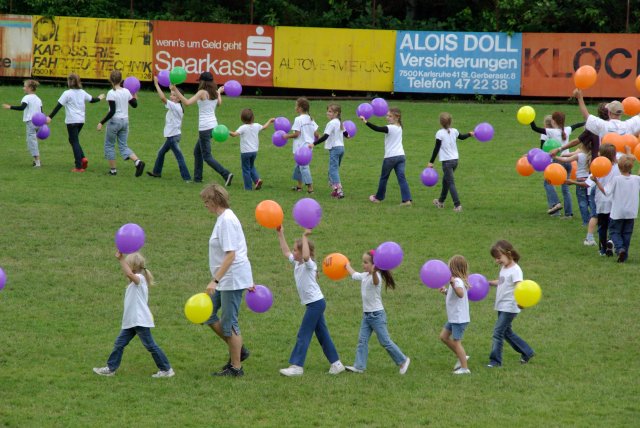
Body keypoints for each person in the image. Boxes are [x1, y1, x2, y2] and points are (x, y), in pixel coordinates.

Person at [276, 226, 345, 376]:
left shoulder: (309, 265)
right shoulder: (297, 263)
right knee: (322, 334)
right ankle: (336, 364)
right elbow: (286, 252)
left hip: (316, 304)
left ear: (302, 253)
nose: (293, 252)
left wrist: (305, 237)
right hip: (314, 304)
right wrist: (280, 234)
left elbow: (307, 256)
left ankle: (297, 366)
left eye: (296, 250)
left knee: (304, 334)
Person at [93, 251, 174, 378]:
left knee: (150, 345)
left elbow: (129, 274)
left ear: (133, 266)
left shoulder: (140, 279)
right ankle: (110, 368)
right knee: (119, 344)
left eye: (127, 264)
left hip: (139, 321)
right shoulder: (135, 283)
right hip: (132, 322)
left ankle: (166, 369)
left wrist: (121, 259)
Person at [200, 183, 254, 377]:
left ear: (215, 200)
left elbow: (231, 254)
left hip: (231, 279)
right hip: (227, 278)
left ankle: (236, 368)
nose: (205, 204)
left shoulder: (227, 221)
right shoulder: (222, 219)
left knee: (229, 324)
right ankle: (238, 349)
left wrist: (215, 280)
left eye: (207, 200)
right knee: (207, 314)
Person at [343, 250, 410, 375]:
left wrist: (374, 272)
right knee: (362, 341)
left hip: (377, 316)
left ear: (374, 265)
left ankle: (403, 360)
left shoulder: (376, 276)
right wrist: (347, 266)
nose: (363, 264)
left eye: (366, 262)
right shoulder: (365, 275)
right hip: (367, 315)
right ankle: (359, 366)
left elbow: (375, 282)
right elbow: (355, 275)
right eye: (363, 262)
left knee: (385, 341)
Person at [172, 72, 233, 186]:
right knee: (197, 152)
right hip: (213, 127)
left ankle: (226, 174)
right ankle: (197, 178)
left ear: (203, 81)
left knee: (207, 156)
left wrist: (175, 90)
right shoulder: (214, 92)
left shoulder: (202, 92)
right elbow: (219, 103)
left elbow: (187, 103)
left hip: (205, 128)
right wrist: (219, 92)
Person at [487, 240, 535, 368]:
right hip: (501, 305)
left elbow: (519, 287)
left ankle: (495, 361)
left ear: (508, 254)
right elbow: (502, 281)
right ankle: (527, 352)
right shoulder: (505, 268)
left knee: (497, 332)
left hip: (510, 307)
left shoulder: (516, 270)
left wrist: (521, 302)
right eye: (495, 258)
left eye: (499, 258)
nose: (496, 261)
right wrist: (490, 282)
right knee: (506, 332)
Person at [46, 73, 104, 172]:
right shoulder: (82, 92)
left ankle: (78, 166)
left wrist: (50, 117)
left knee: (74, 141)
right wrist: (99, 98)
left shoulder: (67, 93)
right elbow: (92, 100)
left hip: (72, 121)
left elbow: (58, 106)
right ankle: (83, 158)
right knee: (73, 140)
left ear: (69, 82)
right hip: (81, 121)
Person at [530, 111, 583, 217]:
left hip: (558, 162)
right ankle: (568, 214)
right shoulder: (567, 129)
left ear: (553, 121)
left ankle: (555, 203)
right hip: (568, 162)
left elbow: (535, 128)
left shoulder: (551, 132)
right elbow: (576, 125)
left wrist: (531, 118)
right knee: (565, 189)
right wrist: (586, 122)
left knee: (547, 183)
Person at [97, 70, 146, 177]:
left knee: (109, 145)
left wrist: (101, 122)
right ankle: (138, 162)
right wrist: (134, 95)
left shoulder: (111, 93)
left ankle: (113, 171)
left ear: (111, 80)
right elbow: (135, 105)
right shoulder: (126, 91)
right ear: (121, 80)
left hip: (115, 122)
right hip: (125, 122)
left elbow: (112, 111)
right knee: (123, 146)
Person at [360, 107, 413, 206]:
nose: (387, 117)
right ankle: (407, 200)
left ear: (397, 117)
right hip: (401, 156)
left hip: (390, 158)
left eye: (390, 116)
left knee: (384, 178)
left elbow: (377, 128)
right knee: (402, 178)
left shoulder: (390, 128)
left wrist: (365, 121)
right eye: (387, 115)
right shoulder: (400, 127)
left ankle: (378, 198)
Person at [146, 76, 192, 182]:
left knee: (179, 157)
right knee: (161, 152)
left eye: (174, 95)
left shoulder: (176, 107)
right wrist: (172, 86)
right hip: (173, 135)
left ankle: (187, 178)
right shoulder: (176, 106)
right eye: (171, 94)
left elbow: (163, 98)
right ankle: (156, 172)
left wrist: (156, 84)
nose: (171, 97)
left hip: (173, 137)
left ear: (179, 98)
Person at [553, 139, 598, 244]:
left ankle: (586, 221)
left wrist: (555, 157)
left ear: (583, 146)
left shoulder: (580, 155)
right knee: (591, 201)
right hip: (590, 180)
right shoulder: (594, 156)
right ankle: (594, 219)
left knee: (582, 202)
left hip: (580, 180)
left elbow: (566, 160)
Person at [427, 112, 473, 212]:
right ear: (450, 122)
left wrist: (431, 162)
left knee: (450, 183)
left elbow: (436, 148)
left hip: (447, 163)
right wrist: (469, 134)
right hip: (455, 161)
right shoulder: (454, 131)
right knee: (446, 181)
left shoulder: (439, 133)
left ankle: (457, 205)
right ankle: (440, 202)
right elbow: (462, 137)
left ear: (440, 123)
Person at [602, 155, 640, 263]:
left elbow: (606, 192)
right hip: (631, 212)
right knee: (627, 233)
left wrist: (596, 182)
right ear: (631, 166)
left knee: (614, 232)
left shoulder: (616, 179)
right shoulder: (636, 179)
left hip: (617, 212)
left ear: (619, 167)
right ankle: (624, 255)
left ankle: (620, 249)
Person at [438, 255, 471, 374]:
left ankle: (464, 368)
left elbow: (460, 294)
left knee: (457, 342)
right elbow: (455, 296)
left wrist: (452, 284)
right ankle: (462, 356)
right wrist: (446, 291)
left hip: (459, 318)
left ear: (453, 268)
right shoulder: (457, 281)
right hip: (454, 317)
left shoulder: (457, 281)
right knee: (443, 337)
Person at [229, 108, 274, 190]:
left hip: (245, 152)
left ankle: (248, 187)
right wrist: (270, 121)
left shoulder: (243, 127)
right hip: (254, 151)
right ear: (253, 117)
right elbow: (264, 127)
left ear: (242, 119)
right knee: (251, 166)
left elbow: (234, 134)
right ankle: (257, 180)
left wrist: (226, 131)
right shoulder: (256, 125)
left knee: (246, 169)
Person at [2, 79, 43, 167]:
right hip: (39, 122)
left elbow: (22, 108)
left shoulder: (26, 98)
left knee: (31, 142)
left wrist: (10, 107)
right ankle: (35, 160)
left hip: (31, 122)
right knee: (33, 141)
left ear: (30, 88)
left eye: (24, 86)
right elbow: (41, 112)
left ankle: (37, 162)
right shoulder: (38, 99)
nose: (23, 88)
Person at [311, 104, 349, 199]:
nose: (327, 113)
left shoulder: (331, 123)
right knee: (333, 170)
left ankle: (339, 191)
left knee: (333, 170)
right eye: (328, 111)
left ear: (336, 113)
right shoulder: (339, 122)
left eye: (330, 111)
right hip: (341, 148)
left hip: (335, 149)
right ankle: (335, 190)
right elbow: (345, 133)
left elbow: (325, 136)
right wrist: (348, 136)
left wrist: (314, 144)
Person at [574, 89, 640, 139]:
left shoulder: (603, 125)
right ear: (621, 113)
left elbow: (586, 116)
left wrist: (580, 98)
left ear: (609, 112)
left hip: (605, 153)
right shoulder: (628, 125)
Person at [284, 97, 317, 193]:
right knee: (298, 166)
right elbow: (316, 134)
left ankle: (310, 188)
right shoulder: (311, 119)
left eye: (296, 106)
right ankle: (299, 187)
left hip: (301, 148)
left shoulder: (298, 119)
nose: (295, 107)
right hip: (308, 147)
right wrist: (314, 142)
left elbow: (297, 134)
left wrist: (286, 136)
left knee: (304, 167)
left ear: (300, 108)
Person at [592, 143, 619, 256]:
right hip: (614, 200)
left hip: (601, 200)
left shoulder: (598, 165)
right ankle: (611, 242)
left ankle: (603, 249)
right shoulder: (618, 167)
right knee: (613, 225)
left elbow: (591, 180)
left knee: (602, 226)